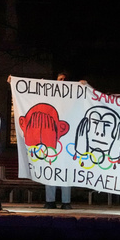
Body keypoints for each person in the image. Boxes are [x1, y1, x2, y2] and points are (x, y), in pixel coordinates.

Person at [44, 71, 72, 210]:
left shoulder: (72, 97)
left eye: (65, 79)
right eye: (59, 79)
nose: (62, 81)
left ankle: (66, 202)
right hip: (51, 139)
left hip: (66, 140)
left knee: (65, 172)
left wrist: (84, 86)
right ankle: (50, 201)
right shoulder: (50, 96)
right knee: (50, 170)